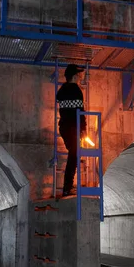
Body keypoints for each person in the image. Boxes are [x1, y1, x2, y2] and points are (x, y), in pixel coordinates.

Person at [56, 64, 86, 198]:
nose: (80, 77)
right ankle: (67, 188)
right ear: (74, 76)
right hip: (73, 127)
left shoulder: (62, 90)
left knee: (73, 154)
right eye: (78, 75)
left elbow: (62, 104)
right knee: (74, 155)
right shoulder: (76, 90)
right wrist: (84, 129)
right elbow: (80, 112)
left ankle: (68, 187)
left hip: (64, 127)